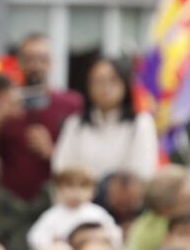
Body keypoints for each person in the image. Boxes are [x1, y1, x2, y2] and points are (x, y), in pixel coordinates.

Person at [0, 33, 84, 250]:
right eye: (29, 58)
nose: (36, 65)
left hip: (55, 204)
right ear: (19, 62)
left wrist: (52, 153)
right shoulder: (1, 106)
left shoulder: (70, 104)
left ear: (51, 63)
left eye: (42, 59)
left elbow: (81, 164)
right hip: (11, 210)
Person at [53, 56, 156, 188]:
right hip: (78, 196)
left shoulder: (140, 123)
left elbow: (142, 172)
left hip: (122, 198)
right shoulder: (75, 124)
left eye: (112, 80)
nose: (105, 87)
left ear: (125, 83)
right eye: (98, 81)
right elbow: (61, 167)